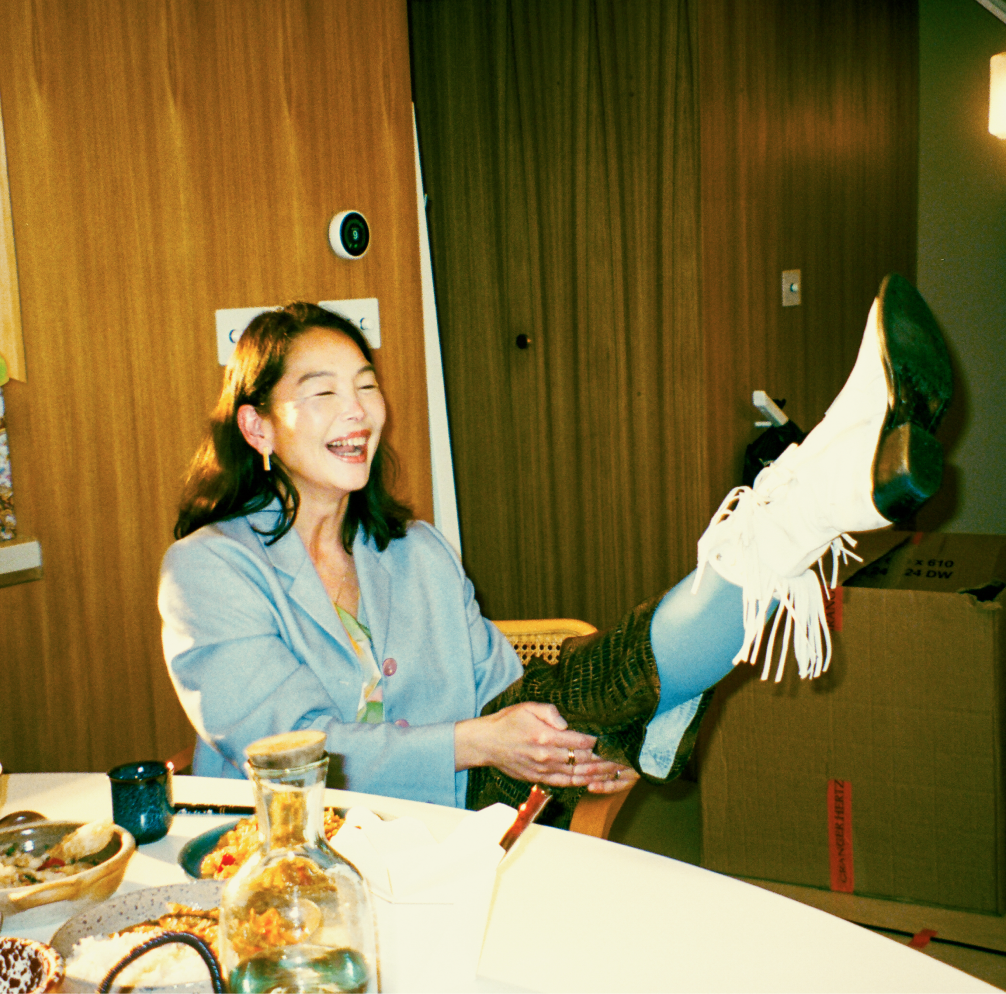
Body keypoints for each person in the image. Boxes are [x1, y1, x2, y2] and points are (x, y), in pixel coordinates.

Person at [160, 274, 951, 826]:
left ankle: (824, 491)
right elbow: (291, 754)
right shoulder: (208, 569)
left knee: (595, 693)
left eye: (365, 383)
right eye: (321, 391)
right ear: (257, 428)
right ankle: (827, 486)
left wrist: (571, 751)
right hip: (298, 856)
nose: (358, 409)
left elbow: (508, 691)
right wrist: (487, 741)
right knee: (606, 688)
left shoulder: (417, 552)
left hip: (455, 824)